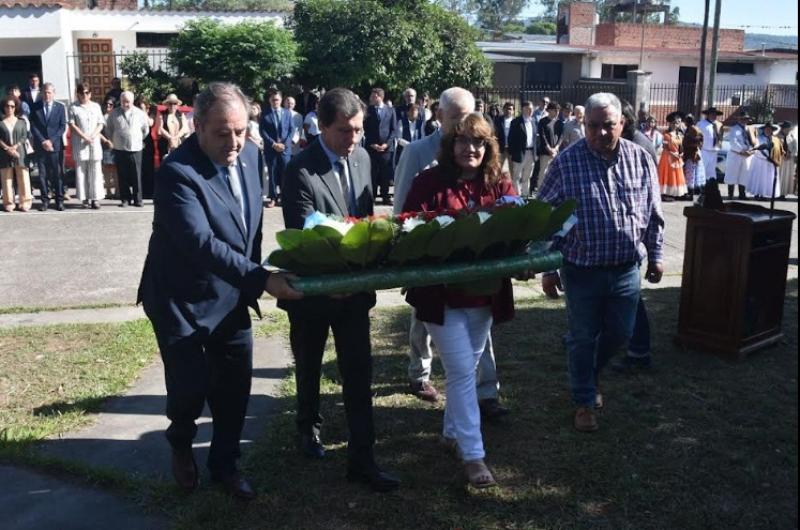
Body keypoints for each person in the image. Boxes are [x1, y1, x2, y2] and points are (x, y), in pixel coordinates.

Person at [137, 81, 302, 500]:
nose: (234, 142)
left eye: (240, 131)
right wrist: (261, 278)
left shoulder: (251, 154)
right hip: (181, 300)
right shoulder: (177, 173)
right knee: (189, 389)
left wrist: (251, 276)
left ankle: (225, 465)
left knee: (235, 388)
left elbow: (250, 227)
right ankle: (180, 440)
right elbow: (200, 242)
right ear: (197, 127)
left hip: (231, 293)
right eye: (222, 133)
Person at [280, 87, 400, 493]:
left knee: (358, 372)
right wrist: (333, 282)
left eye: (358, 130)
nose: (353, 138)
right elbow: (304, 237)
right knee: (309, 364)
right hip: (315, 293)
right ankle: (307, 427)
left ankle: (363, 459)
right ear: (322, 126)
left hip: (354, 295)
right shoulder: (300, 169)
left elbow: (364, 220)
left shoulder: (363, 158)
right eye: (345, 131)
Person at [403, 113, 529, 488]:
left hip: (483, 295)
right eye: (462, 140)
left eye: (478, 142)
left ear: (489, 147)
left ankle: (450, 433)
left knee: (467, 369)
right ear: (450, 144)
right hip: (440, 297)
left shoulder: (499, 183)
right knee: (460, 372)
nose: (469, 148)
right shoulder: (428, 182)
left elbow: (519, 227)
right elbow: (407, 227)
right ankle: (473, 455)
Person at [539, 92, 664, 433]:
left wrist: (656, 255)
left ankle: (589, 373)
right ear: (584, 125)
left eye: (608, 125)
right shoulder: (566, 163)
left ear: (622, 123)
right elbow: (546, 217)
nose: (601, 133)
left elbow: (653, 212)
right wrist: (548, 267)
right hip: (581, 270)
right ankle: (583, 401)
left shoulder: (640, 158)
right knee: (582, 337)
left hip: (626, 269)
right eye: (593, 126)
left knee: (621, 333)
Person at [393, 87, 508, 419]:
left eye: (470, 115)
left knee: (478, 332)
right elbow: (403, 210)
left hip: (475, 274)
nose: (464, 123)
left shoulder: (483, 159)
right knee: (424, 318)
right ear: (440, 115)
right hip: (432, 267)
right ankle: (420, 373)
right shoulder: (417, 152)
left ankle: (486, 390)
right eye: (457, 116)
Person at [105, 91, 150, 207]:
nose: (125, 104)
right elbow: (109, 129)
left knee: (136, 175)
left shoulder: (140, 113)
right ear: (120, 101)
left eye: (128, 102)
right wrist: (114, 140)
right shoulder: (114, 113)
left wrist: (137, 138)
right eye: (123, 101)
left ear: (132, 101)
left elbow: (145, 130)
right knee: (122, 174)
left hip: (136, 148)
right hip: (119, 148)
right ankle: (125, 199)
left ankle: (138, 199)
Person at [29, 82, 67, 211]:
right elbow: (33, 125)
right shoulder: (35, 107)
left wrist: (51, 141)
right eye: (45, 92)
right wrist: (43, 141)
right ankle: (45, 200)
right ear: (42, 93)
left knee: (57, 174)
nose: (47, 95)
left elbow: (62, 126)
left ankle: (59, 200)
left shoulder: (60, 107)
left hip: (55, 146)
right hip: (41, 146)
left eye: (49, 92)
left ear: (54, 93)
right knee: (42, 175)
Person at [69, 82, 105, 209]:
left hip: (94, 142)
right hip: (80, 142)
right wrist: (84, 137)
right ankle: (84, 198)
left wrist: (93, 136)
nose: (84, 95)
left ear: (90, 94)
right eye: (82, 93)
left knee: (95, 171)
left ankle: (95, 198)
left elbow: (101, 123)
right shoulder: (73, 107)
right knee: (81, 172)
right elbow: (72, 125)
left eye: (87, 92)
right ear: (78, 94)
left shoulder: (96, 106)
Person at [259, 89, 293, 208]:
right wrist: (273, 144)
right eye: (273, 100)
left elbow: (291, 130)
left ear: (281, 100)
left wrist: (284, 144)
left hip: (285, 149)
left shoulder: (287, 113)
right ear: (270, 100)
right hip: (271, 149)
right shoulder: (265, 114)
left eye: (277, 99)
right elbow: (262, 131)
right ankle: (273, 197)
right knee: (272, 173)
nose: (275, 102)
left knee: (285, 174)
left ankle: (284, 197)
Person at [0, 94, 33, 212]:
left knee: (23, 177)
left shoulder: (21, 122)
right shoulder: (1, 122)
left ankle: (25, 202)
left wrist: (15, 147)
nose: (9, 108)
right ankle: (9, 202)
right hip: (4, 153)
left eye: (12, 106)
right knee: (6, 178)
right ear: (4, 107)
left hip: (20, 152)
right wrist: (7, 148)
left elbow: (24, 136)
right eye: (7, 106)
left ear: (16, 107)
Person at [364, 87, 396, 206]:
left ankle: (385, 196)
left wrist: (386, 144)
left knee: (385, 173)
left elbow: (393, 130)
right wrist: (372, 144)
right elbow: (365, 128)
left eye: (373, 96)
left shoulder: (390, 110)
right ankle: (372, 196)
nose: (370, 98)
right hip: (372, 147)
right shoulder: (368, 110)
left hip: (386, 148)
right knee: (372, 172)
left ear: (379, 97)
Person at [724, 110, 757, 200]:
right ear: (739, 119)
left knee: (744, 175)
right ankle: (730, 194)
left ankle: (742, 194)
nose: (744, 120)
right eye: (742, 119)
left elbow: (753, 141)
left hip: (747, 155)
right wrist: (742, 151)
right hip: (736, 154)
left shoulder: (749, 129)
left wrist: (751, 150)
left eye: (746, 119)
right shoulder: (734, 129)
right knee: (732, 174)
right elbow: (733, 142)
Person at [507, 100, 537, 197]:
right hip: (519, 153)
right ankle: (517, 196)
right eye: (528, 109)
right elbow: (510, 138)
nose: (531, 111)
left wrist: (535, 153)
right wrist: (512, 153)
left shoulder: (534, 121)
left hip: (531, 153)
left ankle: (525, 195)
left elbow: (535, 138)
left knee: (527, 176)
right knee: (516, 176)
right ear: (523, 109)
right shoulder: (516, 122)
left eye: (532, 109)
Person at [748, 122, 784, 199]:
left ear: (772, 130)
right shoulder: (759, 138)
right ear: (764, 130)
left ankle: (764, 194)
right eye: (766, 129)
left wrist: (776, 158)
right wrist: (767, 157)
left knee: (768, 179)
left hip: (771, 162)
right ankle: (757, 194)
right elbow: (757, 149)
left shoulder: (775, 139)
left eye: (769, 129)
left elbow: (779, 150)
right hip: (761, 161)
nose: (768, 131)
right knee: (759, 179)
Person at [657, 111, 687, 201]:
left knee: (677, 175)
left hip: (677, 157)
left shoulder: (679, 134)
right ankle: (665, 193)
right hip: (667, 157)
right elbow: (665, 147)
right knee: (668, 175)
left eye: (677, 123)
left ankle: (675, 193)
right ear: (670, 123)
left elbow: (681, 146)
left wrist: (681, 153)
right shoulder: (666, 135)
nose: (675, 125)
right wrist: (673, 154)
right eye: (673, 123)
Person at [535, 101, 561, 192]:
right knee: (543, 173)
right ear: (549, 110)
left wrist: (556, 148)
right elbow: (542, 137)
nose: (557, 112)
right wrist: (549, 149)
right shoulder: (542, 122)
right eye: (555, 110)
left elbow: (561, 136)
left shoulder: (559, 122)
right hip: (545, 153)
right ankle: (540, 193)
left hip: (556, 152)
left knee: (555, 174)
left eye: (558, 110)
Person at [136, 96, 157, 200]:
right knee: (140, 168)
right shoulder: (136, 114)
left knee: (149, 167)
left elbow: (150, 123)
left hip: (148, 142)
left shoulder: (151, 113)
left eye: (142, 106)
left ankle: (150, 191)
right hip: (138, 141)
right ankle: (141, 191)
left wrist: (143, 112)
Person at [157, 94, 189, 161]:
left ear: (177, 105)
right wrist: (170, 138)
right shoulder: (161, 114)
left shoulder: (181, 115)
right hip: (165, 145)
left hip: (179, 144)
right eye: (170, 103)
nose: (172, 105)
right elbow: (160, 129)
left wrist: (176, 137)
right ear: (167, 104)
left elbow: (185, 128)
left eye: (174, 103)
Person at [682, 114, 706, 197]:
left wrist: (691, 145)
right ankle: (692, 190)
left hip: (693, 153)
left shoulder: (694, 129)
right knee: (691, 172)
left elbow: (700, 141)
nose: (686, 122)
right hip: (689, 152)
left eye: (687, 120)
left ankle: (691, 191)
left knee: (692, 172)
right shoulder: (688, 129)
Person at [697, 107, 723, 182]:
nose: (714, 116)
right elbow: (697, 136)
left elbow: (720, 137)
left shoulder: (719, 124)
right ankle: (701, 186)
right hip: (704, 151)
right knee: (702, 169)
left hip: (714, 151)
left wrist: (719, 145)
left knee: (711, 171)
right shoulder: (701, 124)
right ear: (708, 114)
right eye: (712, 114)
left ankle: (710, 186)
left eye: (715, 114)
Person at [100, 97, 118, 199]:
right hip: (105, 145)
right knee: (106, 170)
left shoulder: (116, 117)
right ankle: (108, 191)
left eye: (110, 104)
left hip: (117, 145)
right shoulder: (102, 117)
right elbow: (99, 132)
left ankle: (117, 191)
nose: (108, 106)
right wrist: (106, 141)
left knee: (116, 169)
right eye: (106, 104)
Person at [493, 101, 515, 171]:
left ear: (513, 111)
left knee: (513, 170)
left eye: (510, 109)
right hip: (501, 149)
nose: (508, 110)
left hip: (512, 150)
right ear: (503, 109)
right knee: (498, 169)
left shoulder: (516, 121)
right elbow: (494, 133)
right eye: (506, 108)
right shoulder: (498, 120)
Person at [778, 121, 797, 198]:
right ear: (783, 129)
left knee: (786, 177)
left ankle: (783, 194)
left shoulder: (791, 137)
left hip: (789, 160)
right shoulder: (777, 136)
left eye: (789, 128)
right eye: (786, 128)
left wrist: (791, 154)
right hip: (780, 159)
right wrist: (782, 154)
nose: (788, 130)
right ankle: (777, 192)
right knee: (779, 176)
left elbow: (795, 148)